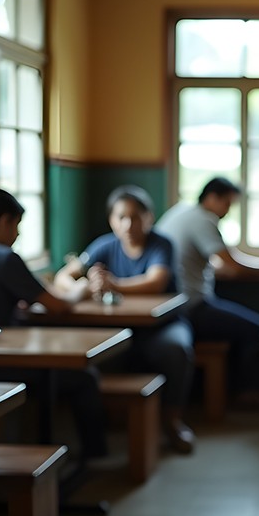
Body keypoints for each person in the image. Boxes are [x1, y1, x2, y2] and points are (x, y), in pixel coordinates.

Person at [0, 188, 109, 462]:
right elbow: (59, 306)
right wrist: (83, 288)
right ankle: (91, 460)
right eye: (16, 226)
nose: (17, 235)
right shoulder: (4, 258)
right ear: (5, 221)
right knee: (85, 377)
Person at [55, 185, 197, 455]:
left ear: (149, 217)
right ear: (112, 220)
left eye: (136, 216)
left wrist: (114, 284)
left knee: (176, 350)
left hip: (163, 325)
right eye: (121, 217)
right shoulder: (103, 245)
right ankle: (104, 424)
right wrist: (87, 284)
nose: (128, 224)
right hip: (118, 328)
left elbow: (156, 282)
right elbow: (64, 276)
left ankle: (172, 421)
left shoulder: (161, 244)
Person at [156, 177, 259, 403]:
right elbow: (234, 266)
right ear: (212, 198)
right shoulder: (203, 220)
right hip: (191, 306)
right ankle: (246, 393)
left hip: (171, 305)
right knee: (258, 330)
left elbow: (213, 265)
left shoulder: (180, 211)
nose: (228, 211)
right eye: (227, 203)